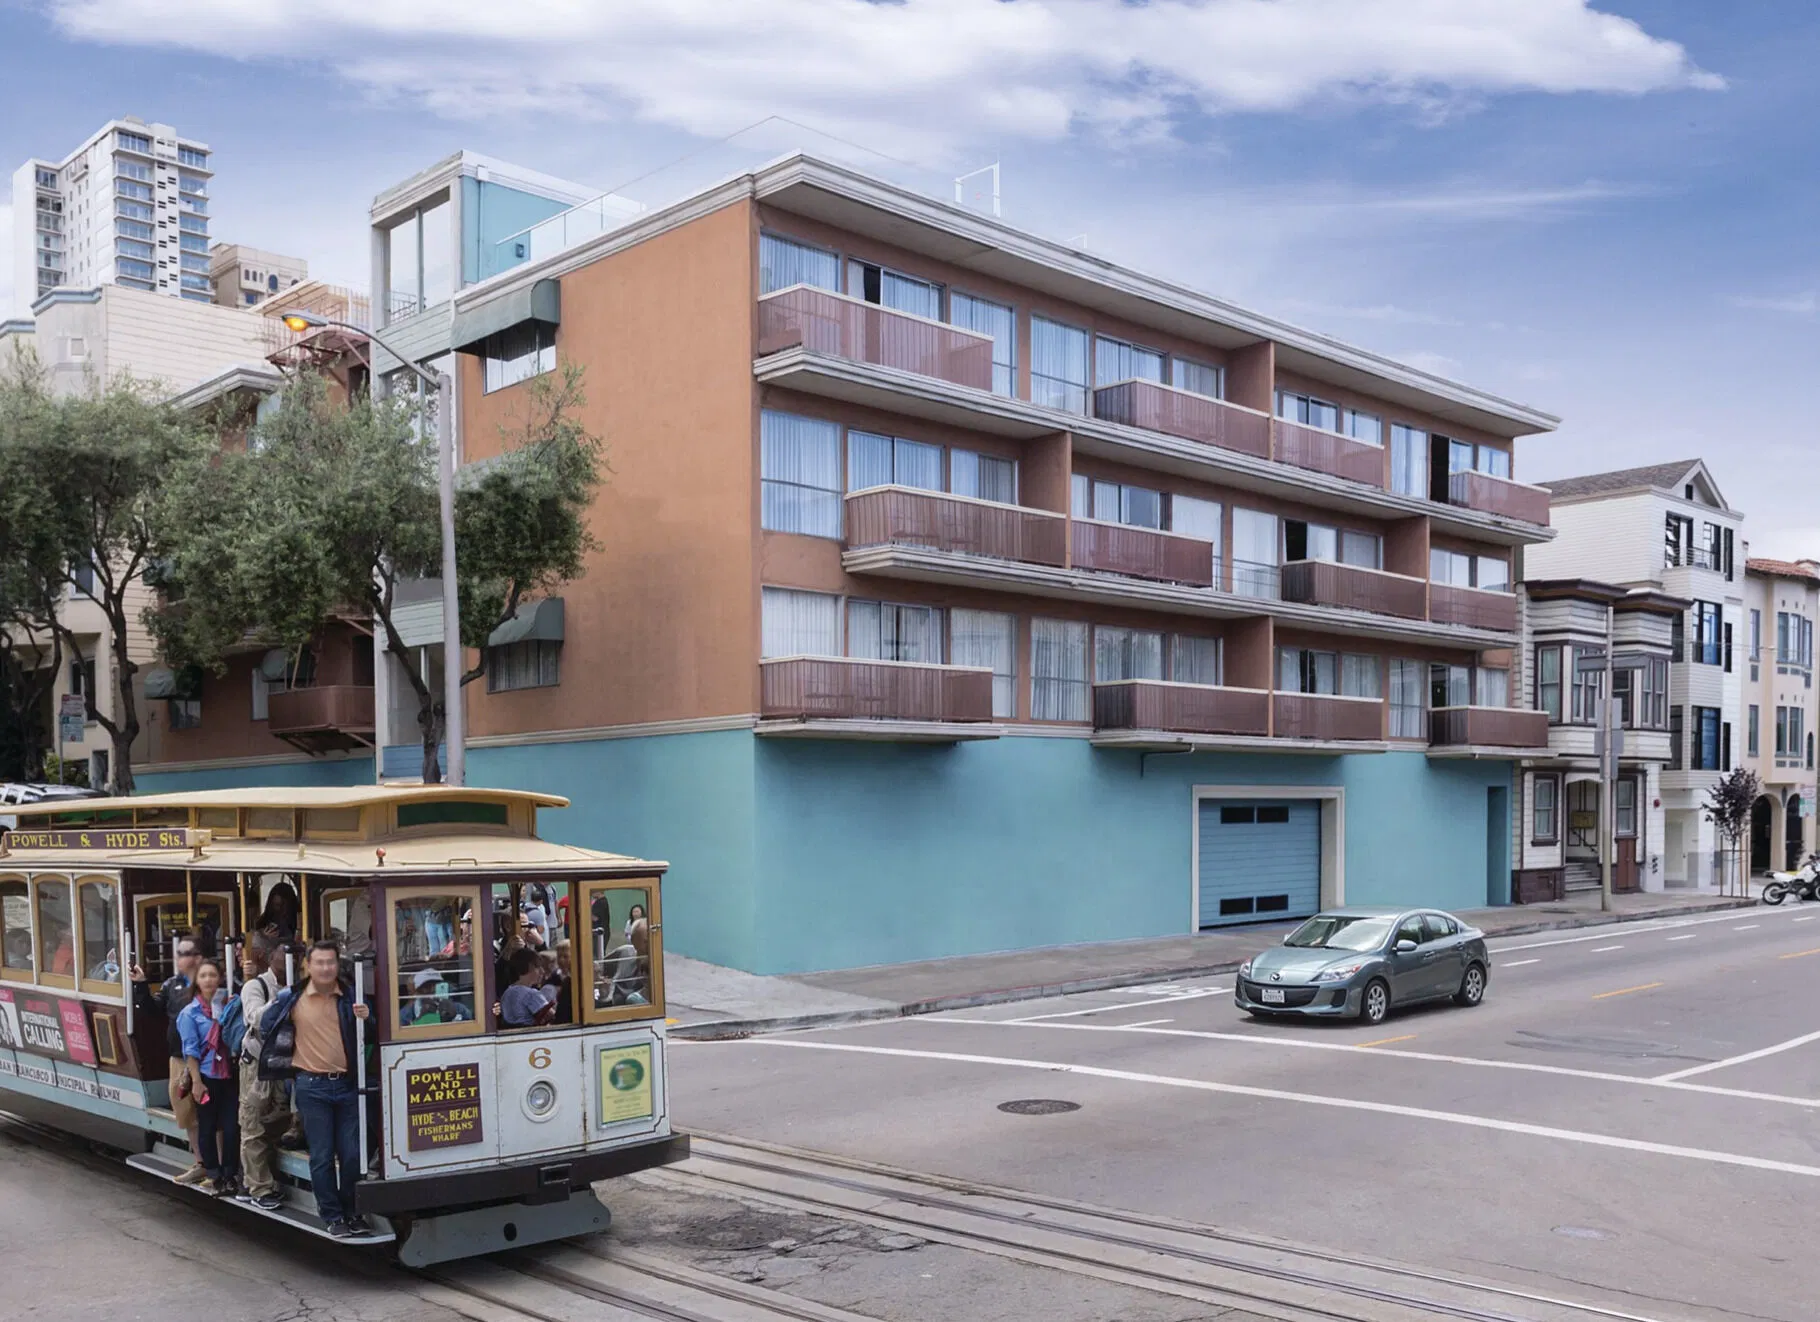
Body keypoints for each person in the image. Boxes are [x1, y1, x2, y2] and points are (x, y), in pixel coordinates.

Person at [260, 940, 371, 1237]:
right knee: (322, 1155)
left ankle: (352, 1213)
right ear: (308, 966)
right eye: (319, 962)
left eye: (330, 962)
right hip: (311, 1087)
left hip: (347, 1086)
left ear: (337, 965)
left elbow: (369, 1034)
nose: (325, 968)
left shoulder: (350, 997)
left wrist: (366, 1017)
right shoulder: (292, 997)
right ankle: (333, 1216)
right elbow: (266, 1026)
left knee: (351, 1155)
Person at [131, 937, 205, 1184]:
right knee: (186, 1113)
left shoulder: (211, 982)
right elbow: (153, 1011)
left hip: (205, 1060)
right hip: (178, 1059)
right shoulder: (172, 984)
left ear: (198, 957)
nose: (179, 958)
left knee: (211, 1114)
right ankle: (201, 1163)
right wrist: (141, 985)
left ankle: (219, 1166)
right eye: (179, 953)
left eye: (184, 953)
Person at [177, 958, 241, 1195]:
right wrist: (196, 1082)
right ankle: (214, 1174)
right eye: (203, 976)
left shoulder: (228, 1004)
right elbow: (190, 1050)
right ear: (197, 981)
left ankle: (230, 1173)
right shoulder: (189, 1013)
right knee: (207, 1127)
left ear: (220, 978)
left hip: (229, 1072)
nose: (208, 980)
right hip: (206, 1074)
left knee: (232, 1127)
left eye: (212, 975)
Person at [236, 935, 288, 1212]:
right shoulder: (256, 986)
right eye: (283, 957)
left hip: (285, 1063)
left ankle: (253, 1176)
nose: (289, 962)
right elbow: (255, 1018)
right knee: (253, 1123)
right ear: (270, 959)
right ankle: (259, 1187)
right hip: (257, 1063)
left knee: (280, 1118)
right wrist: (283, 998)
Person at [495, 947, 553, 1027]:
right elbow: (552, 1015)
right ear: (528, 967)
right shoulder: (531, 994)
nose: (542, 971)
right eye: (537, 967)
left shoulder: (506, 993)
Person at [400, 968, 474, 1027]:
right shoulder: (406, 1014)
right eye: (427, 986)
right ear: (418, 990)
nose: (432, 990)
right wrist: (421, 1018)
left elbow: (471, 1029)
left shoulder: (458, 1008)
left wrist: (454, 1016)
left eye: (436, 985)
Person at [254, 880, 300, 945]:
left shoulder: (298, 920)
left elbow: (295, 940)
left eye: (282, 905)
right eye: (275, 905)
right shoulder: (265, 919)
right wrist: (263, 936)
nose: (279, 909)